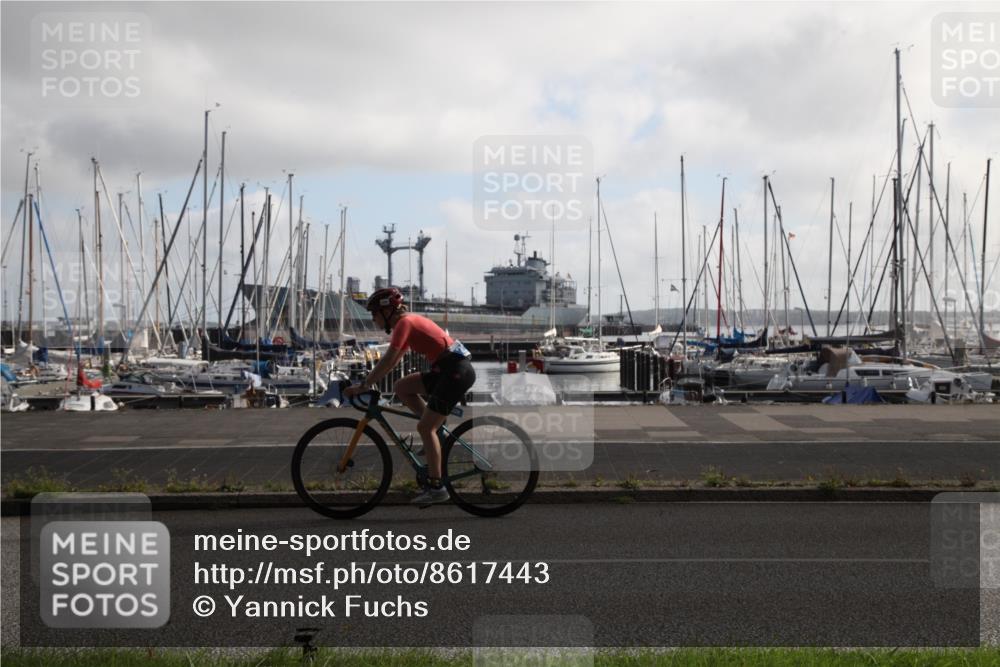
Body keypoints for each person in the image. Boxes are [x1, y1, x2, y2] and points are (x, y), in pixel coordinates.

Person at [344, 287, 475, 505]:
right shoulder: (405, 324)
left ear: (387, 311)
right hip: (446, 370)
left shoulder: (405, 323)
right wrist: (368, 383)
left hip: (454, 372)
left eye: (374, 313)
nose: (374, 319)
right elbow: (394, 361)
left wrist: (365, 384)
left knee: (425, 428)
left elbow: (388, 359)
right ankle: (437, 433)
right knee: (402, 387)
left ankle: (437, 487)